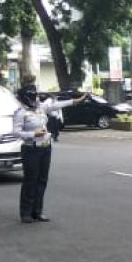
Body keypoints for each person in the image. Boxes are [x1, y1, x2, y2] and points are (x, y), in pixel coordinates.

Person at [13, 84, 87, 223]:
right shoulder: (20, 112)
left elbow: (57, 105)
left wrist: (74, 101)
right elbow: (16, 132)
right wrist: (32, 133)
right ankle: (26, 213)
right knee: (30, 181)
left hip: (45, 148)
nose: (34, 99)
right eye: (31, 96)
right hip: (31, 148)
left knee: (42, 180)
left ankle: (38, 211)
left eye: (35, 96)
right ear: (24, 98)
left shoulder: (41, 107)